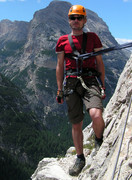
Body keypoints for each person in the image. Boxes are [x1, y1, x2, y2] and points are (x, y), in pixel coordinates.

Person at [55, 5, 105, 176]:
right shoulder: (62, 41)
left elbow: (99, 62)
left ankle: (99, 140)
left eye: (79, 18)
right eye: (72, 18)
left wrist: (102, 85)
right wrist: (59, 89)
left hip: (90, 81)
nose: (75, 21)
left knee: (96, 115)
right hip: (71, 83)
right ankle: (80, 158)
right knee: (76, 123)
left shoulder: (93, 38)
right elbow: (59, 66)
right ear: (69, 20)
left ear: (84, 20)